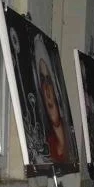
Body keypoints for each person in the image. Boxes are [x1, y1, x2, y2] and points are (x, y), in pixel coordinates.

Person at [33, 34, 74, 163]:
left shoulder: (70, 138)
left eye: (48, 80)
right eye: (42, 80)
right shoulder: (45, 143)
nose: (47, 90)